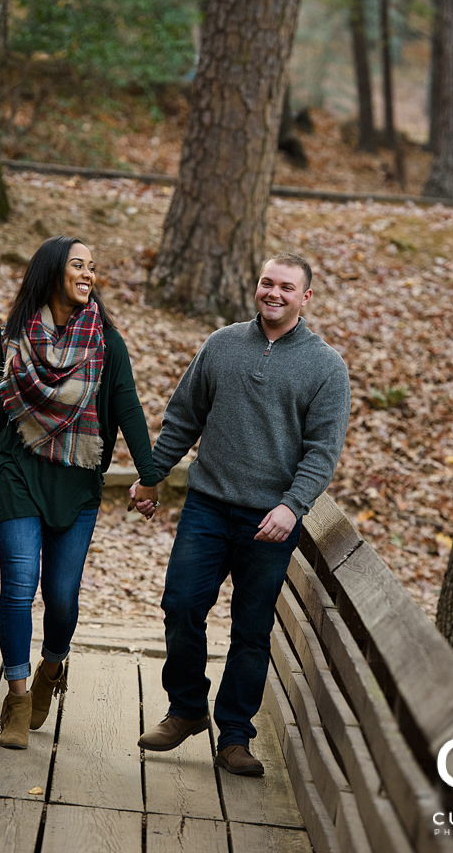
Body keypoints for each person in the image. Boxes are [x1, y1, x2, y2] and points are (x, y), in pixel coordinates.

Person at [133, 252, 350, 776]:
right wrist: (152, 473)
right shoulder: (222, 344)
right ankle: (186, 709)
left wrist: (291, 505)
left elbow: (322, 450)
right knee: (181, 606)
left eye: (286, 287)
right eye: (266, 283)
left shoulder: (326, 367)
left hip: (270, 522)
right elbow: (183, 417)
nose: (273, 293)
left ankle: (235, 736)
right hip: (207, 506)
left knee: (251, 631)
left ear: (306, 297)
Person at [0, 236, 159, 749]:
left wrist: (150, 473)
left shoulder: (106, 343)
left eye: (93, 267)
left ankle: (52, 664)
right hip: (16, 472)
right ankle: (19, 695)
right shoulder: (11, 337)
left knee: (63, 598)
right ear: (52, 272)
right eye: (78, 265)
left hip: (75, 480)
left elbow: (129, 408)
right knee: (19, 585)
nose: (88, 273)